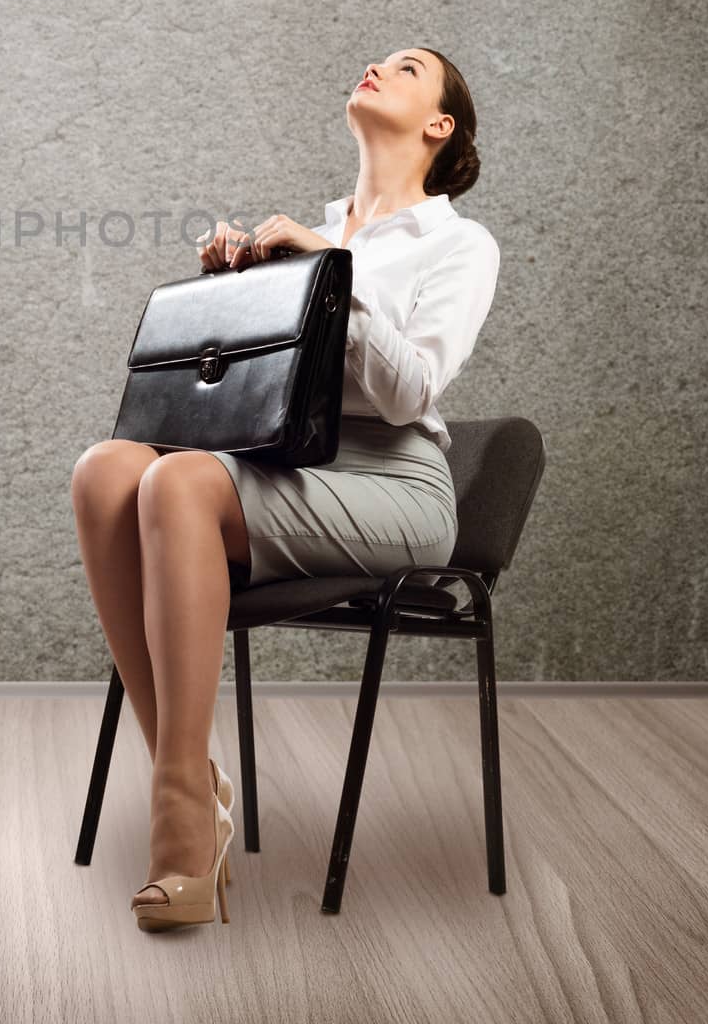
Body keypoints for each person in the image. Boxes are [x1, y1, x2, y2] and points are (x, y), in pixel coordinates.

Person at [70, 46, 501, 930]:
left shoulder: (459, 244)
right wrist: (237, 292)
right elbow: (248, 403)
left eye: (408, 68)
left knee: (178, 487)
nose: (378, 66)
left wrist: (329, 277)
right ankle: (188, 775)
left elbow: (411, 391)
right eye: (379, 59)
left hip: (395, 484)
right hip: (284, 469)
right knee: (107, 468)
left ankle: (181, 820)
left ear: (439, 125)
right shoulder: (315, 230)